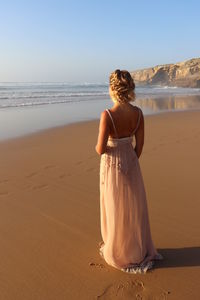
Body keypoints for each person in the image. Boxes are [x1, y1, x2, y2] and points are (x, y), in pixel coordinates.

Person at [95, 69, 163, 273]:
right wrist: (129, 160)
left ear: (113, 90)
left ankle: (117, 249)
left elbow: (100, 149)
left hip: (111, 164)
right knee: (132, 206)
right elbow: (139, 146)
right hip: (131, 162)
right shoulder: (139, 114)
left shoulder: (107, 115)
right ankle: (136, 248)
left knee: (114, 205)